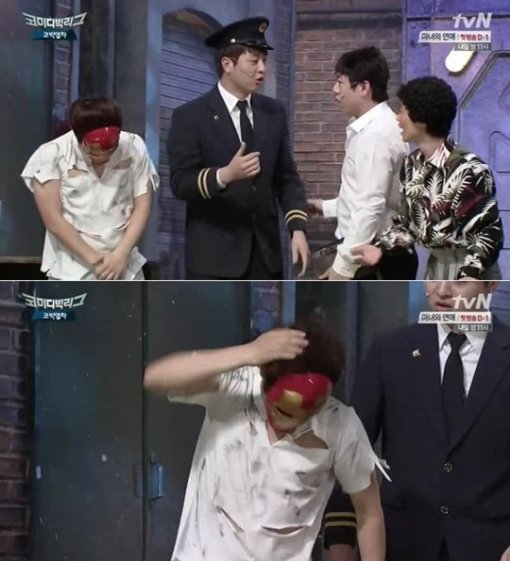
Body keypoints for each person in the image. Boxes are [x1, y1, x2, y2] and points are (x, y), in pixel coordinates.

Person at [144, 321, 389, 561]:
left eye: (305, 416)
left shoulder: (340, 425)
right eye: (281, 411)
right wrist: (249, 353)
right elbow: (155, 377)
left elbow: (369, 512)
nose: (291, 424)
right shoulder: (237, 386)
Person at [323, 281, 510, 561]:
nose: (442, 290)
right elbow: (351, 450)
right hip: (401, 544)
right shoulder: (390, 350)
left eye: (459, 280)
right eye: (434, 275)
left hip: (493, 547)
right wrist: (340, 542)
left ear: (491, 283)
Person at [167, 17, 309, 280]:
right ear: (227, 64)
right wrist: (225, 175)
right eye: (254, 61)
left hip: (266, 258)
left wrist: (297, 228)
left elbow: (286, 178)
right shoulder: (191, 116)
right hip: (213, 260)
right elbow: (180, 183)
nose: (262, 69)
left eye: (264, 60)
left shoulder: (273, 112)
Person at [353, 77, 503, 280]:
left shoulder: (470, 170)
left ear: (421, 119)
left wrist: (469, 275)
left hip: (472, 270)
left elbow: (488, 233)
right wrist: (381, 250)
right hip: (436, 268)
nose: (398, 118)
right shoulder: (410, 165)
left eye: (402, 111)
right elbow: (406, 225)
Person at [307, 46, 415, 280]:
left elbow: (370, 206)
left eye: (340, 82)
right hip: (371, 251)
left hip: (375, 257)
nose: (335, 90)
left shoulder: (375, 134)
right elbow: (366, 194)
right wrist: (324, 207)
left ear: (363, 88)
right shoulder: (372, 127)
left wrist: (342, 268)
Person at [20, 96, 158, 280]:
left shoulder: (134, 146)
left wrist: (120, 255)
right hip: (70, 268)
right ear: (80, 139)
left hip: (124, 264)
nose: (104, 155)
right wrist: (95, 259)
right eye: (95, 150)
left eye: (112, 149)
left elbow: (142, 206)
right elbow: (53, 219)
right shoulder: (51, 154)